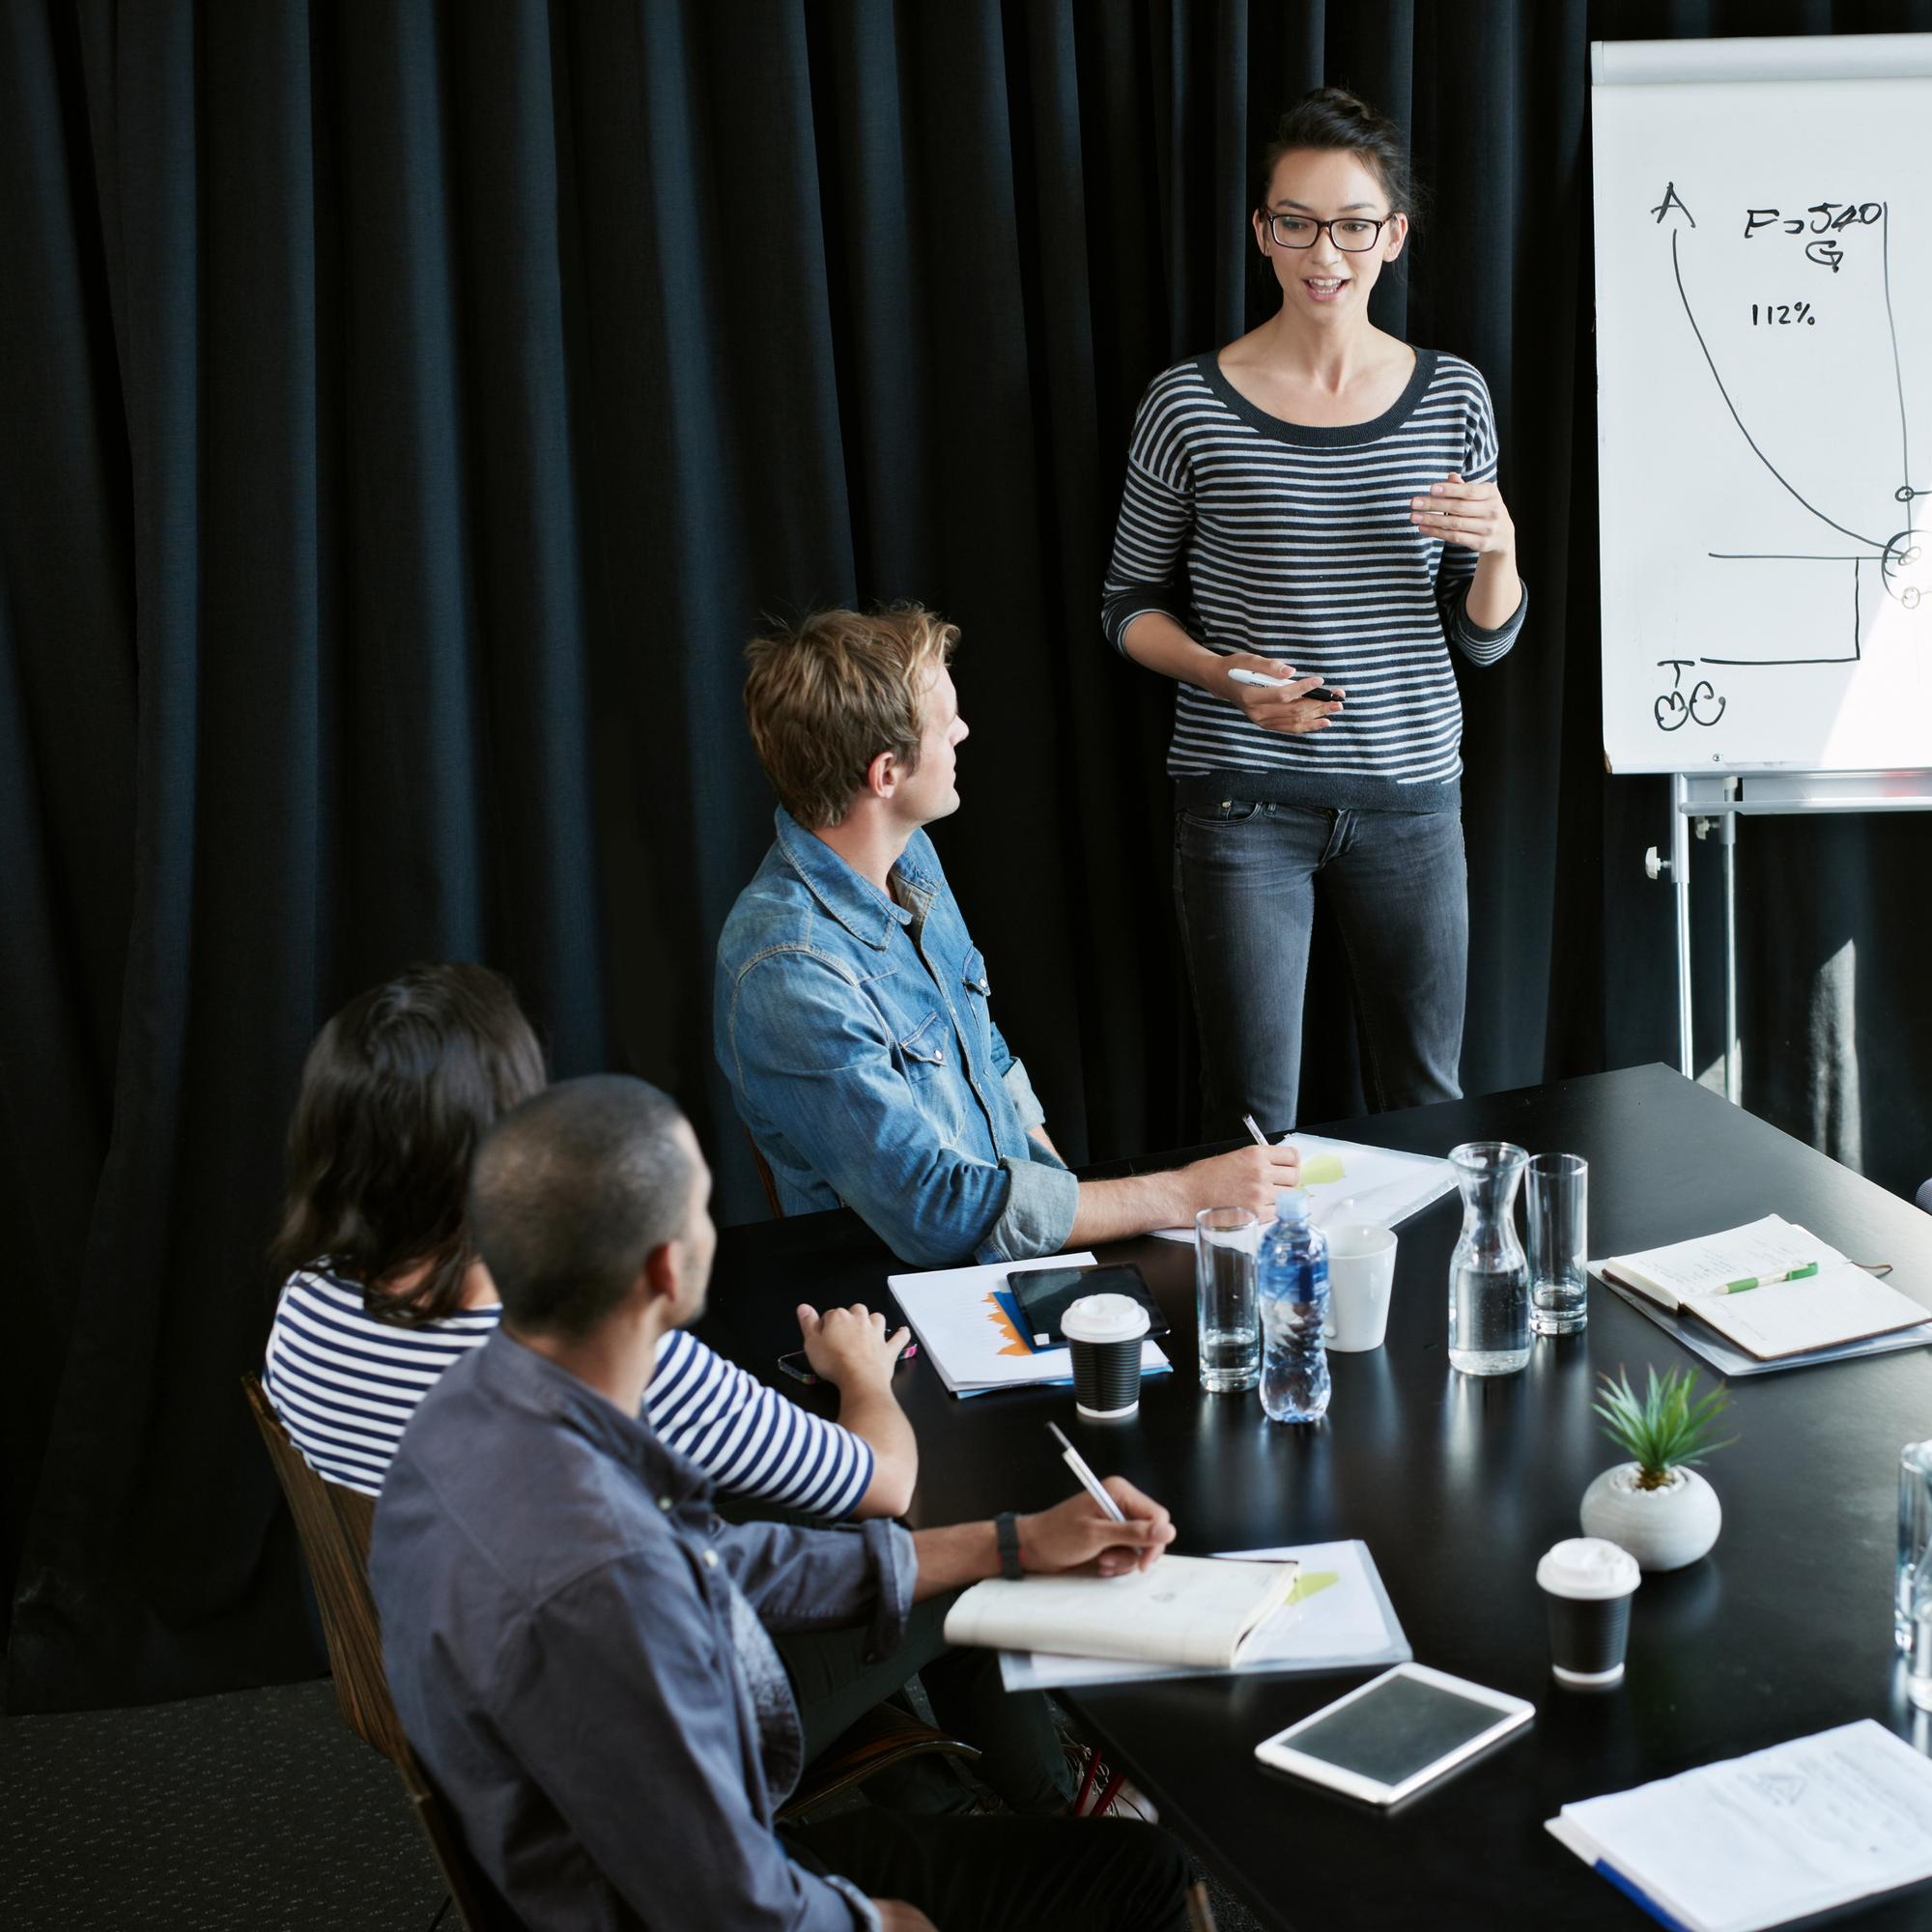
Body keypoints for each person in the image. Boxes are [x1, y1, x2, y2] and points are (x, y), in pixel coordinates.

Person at [371, 1074, 1192, 1930]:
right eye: (699, 1210)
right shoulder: (608, 1591)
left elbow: (722, 1562)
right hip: (650, 1901)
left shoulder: (465, 1416)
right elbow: (727, 1902)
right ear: (665, 1267)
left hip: (574, 1857)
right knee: (1147, 1876)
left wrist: (1012, 1543)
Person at [262, 961, 1079, 1817]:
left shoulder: (307, 1307)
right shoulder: (600, 1354)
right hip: (635, 1723)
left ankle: (932, 1805)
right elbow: (886, 1479)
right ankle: (1067, 1830)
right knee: (952, 1536)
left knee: (788, 1530)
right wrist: (863, 1376)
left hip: (458, 1680)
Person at [1102, 87, 1528, 1139]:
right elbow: (1124, 605)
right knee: (1250, 1123)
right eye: (1293, 221)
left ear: (1392, 234)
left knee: (1430, 1102)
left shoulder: (1450, 396)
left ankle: (1436, 1302)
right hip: (1243, 806)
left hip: (1410, 800)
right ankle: (1255, 1311)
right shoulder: (1187, 400)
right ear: (1261, 231)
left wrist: (1501, 546)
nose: (1320, 252)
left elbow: (1482, 637)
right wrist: (1220, 676)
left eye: (1348, 224)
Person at [715, 605, 1300, 1266]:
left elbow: (984, 1054)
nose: (964, 731)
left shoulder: (910, 859)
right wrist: (1182, 1193)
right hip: (904, 1304)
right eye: (946, 726)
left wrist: (1070, 1207)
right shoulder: (788, 968)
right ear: (885, 775)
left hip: (1013, 1254)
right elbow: (935, 1211)